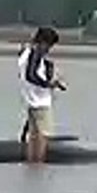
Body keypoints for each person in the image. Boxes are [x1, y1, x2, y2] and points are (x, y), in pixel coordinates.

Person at [17, 26, 67, 163]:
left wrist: (49, 73)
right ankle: (38, 166)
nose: (49, 49)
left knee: (33, 137)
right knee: (42, 137)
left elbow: (29, 72)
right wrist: (49, 84)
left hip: (30, 100)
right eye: (49, 45)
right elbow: (31, 75)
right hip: (40, 102)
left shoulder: (25, 53)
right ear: (43, 42)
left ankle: (31, 166)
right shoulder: (35, 54)